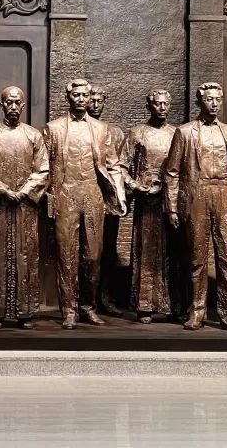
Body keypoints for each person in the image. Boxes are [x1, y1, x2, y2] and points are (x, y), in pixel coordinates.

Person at [163, 81, 227, 332]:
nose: (214, 104)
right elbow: (172, 172)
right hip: (197, 195)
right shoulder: (185, 132)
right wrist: (172, 207)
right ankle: (197, 311)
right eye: (209, 99)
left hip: (224, 194)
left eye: (217, 99)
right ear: (199, 102)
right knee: (197, 259)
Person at [43, 79, 128, 329]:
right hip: (66, 194)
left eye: (85, 95)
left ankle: (88, 307)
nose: (81, 99)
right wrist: (50, 199)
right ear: (68, 98)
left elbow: (113, 164)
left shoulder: (101, 129)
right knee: (66, 255)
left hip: (93, 195)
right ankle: (69, 310)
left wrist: (118, 194)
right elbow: (44, 167)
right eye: (77, 95)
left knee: (92, 256)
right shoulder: (53, 128)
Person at [0, 86, 50, 329]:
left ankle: (25, 312)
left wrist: (24, 191)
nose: (13, 106)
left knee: (26, 255)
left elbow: (43, 170)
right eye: (9, 102)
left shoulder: (34, 136)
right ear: (2, 105)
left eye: (18, 102)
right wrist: (4, 190)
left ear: (23, 105)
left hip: (26, 207)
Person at [120, 89, 177, 323]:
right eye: (157, 104)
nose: (162, 108)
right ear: (149, 106)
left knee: (172, 251)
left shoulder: (176, 133)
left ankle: (172, 305)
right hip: (146, 201)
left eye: (165, 104)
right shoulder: (137, 133)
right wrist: (137, 186)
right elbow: (121, 166)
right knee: (146, 250)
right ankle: (145, 305)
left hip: (170, 199)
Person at [88, 85, 127, 318]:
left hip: (108, 201)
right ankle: (85, 299)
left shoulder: (115, 133)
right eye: (91, 100)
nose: (95, 105)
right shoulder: (80, 130)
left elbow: (120, 166)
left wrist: (120, 194)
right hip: (86, 196)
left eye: (99, 101)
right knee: (86, 251)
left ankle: (105, 296)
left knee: (108, 250)